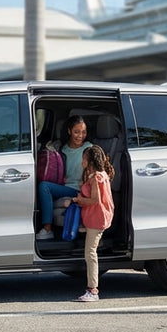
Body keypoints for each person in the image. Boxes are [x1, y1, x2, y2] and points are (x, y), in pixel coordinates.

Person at [64, 145, 115, 301]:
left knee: (90, 253)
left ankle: (93, 290)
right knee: (90, 249)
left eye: (83, 159)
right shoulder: (102, 175)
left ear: (90, 161)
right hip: (95, 217)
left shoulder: (96, 178)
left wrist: (77, 200)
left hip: (96, 219)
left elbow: (95, 200)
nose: (81, 163)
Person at [36, 116, 93, 240]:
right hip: (64, 186)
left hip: (78, 190)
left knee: (44, 186)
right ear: (69, 131)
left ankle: (47, 229)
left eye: (83, 132)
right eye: (76, 132)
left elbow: (95, 172)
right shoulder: (63, 149)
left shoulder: (89, 149)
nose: (80, 136)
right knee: (40, 185)